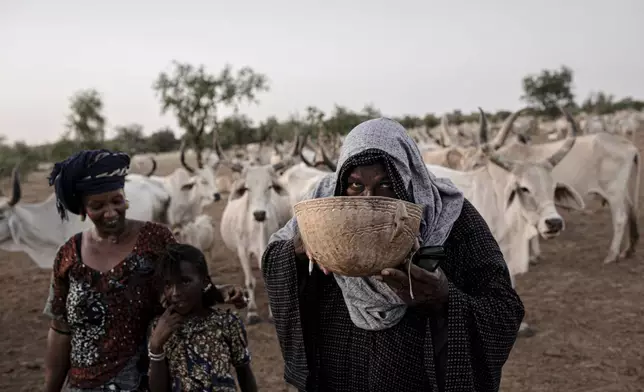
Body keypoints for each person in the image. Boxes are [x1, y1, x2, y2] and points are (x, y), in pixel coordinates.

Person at [262, 118, 525, 392]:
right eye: (355, 186)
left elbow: (504, 308)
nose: (368, 201)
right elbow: (273, 258)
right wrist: (301, 248)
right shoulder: (322, 212)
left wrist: (443, 298)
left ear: (408, 181)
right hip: (337, 369)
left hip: (415, 376)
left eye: (386, 186)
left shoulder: (450, 217)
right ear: (341, 184)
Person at [43, 149, 246, 392]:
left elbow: (185, 287)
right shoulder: (68, 255)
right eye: (97, 206)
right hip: (84, 384)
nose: (110, 212)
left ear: (125, 199)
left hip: (148, 379)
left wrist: (220, 293)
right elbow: (60, 328)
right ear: (83, 210)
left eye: (117, 201)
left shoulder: (156, 239)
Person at [148, 243, 257, 392]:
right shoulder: (160, 329)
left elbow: (245, 375)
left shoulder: (227, 322)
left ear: (205, 281)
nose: (175, 292)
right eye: (168, 285)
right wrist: (156, 347)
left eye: (185, 281)